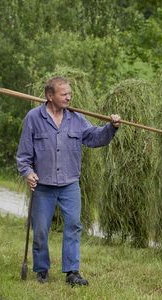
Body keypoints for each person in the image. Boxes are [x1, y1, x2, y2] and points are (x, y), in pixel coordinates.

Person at [16, 76, 120, 286]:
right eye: (64, 94)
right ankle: (42, 269)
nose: (69, 97)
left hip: (69, 184)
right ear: (49, 95)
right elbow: (23, 155)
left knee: (73, 225)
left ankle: (72, 272)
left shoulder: (76, 119)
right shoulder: (34, 118)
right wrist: (27, 172)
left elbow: (95, 138)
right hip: (43, 185)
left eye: (69, 93)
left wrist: (112, 127)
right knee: (41, 230)